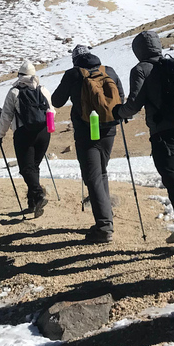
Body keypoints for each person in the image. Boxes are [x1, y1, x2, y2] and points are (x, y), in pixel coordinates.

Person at [113, 32, 174, 254]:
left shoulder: (141, 69)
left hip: (164, 134)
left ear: (138, 50)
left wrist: (118, 112)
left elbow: (134, 104)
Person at [52, 45, 124, 242]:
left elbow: (57, 101)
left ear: (75, 60)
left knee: (92, 177)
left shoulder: (73, 74)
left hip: (87, 131)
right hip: (109, 129)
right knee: (101, 173)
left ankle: (104, 227)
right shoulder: (108, 71)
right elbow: (121, 98)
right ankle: (106, 216)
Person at [0, 60, 54, 218]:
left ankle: (39, 195)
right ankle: (32, 203)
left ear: (20, 75)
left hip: (24, 134)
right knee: (34, 167)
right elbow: (51, 111)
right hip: (44, 133)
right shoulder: (43, 90)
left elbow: (6, 116)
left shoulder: (14, 92)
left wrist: (0, 135)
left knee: (26, 168)